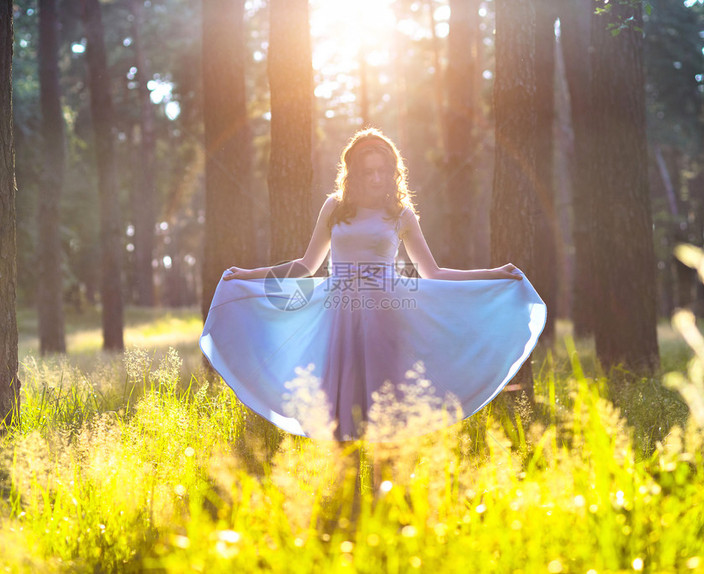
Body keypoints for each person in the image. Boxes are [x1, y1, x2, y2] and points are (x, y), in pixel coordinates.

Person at [200, 128, 546, 441]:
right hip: (339, 319)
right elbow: (306, 266)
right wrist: (247, 275)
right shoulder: (334, 208)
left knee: (385, 415)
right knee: (340, 415)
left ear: (393, 171)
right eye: (368, 172)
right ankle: (349, 503)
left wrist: (495, 273)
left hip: (388, 317)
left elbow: (434, 273)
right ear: (353, 173)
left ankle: (383, 500)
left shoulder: (401, 214)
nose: (377, 178)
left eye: (383, 170)